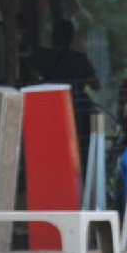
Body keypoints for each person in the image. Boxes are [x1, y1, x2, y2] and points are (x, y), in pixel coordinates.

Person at [29, 19, 100, 172]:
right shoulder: (79, 58)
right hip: (78, 108)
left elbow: (31, 75)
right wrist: (83, 86)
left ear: (53, 37)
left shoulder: (42, 57)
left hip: (50, 109)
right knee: (81, 147)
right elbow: (95, 85)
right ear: (71, 38)